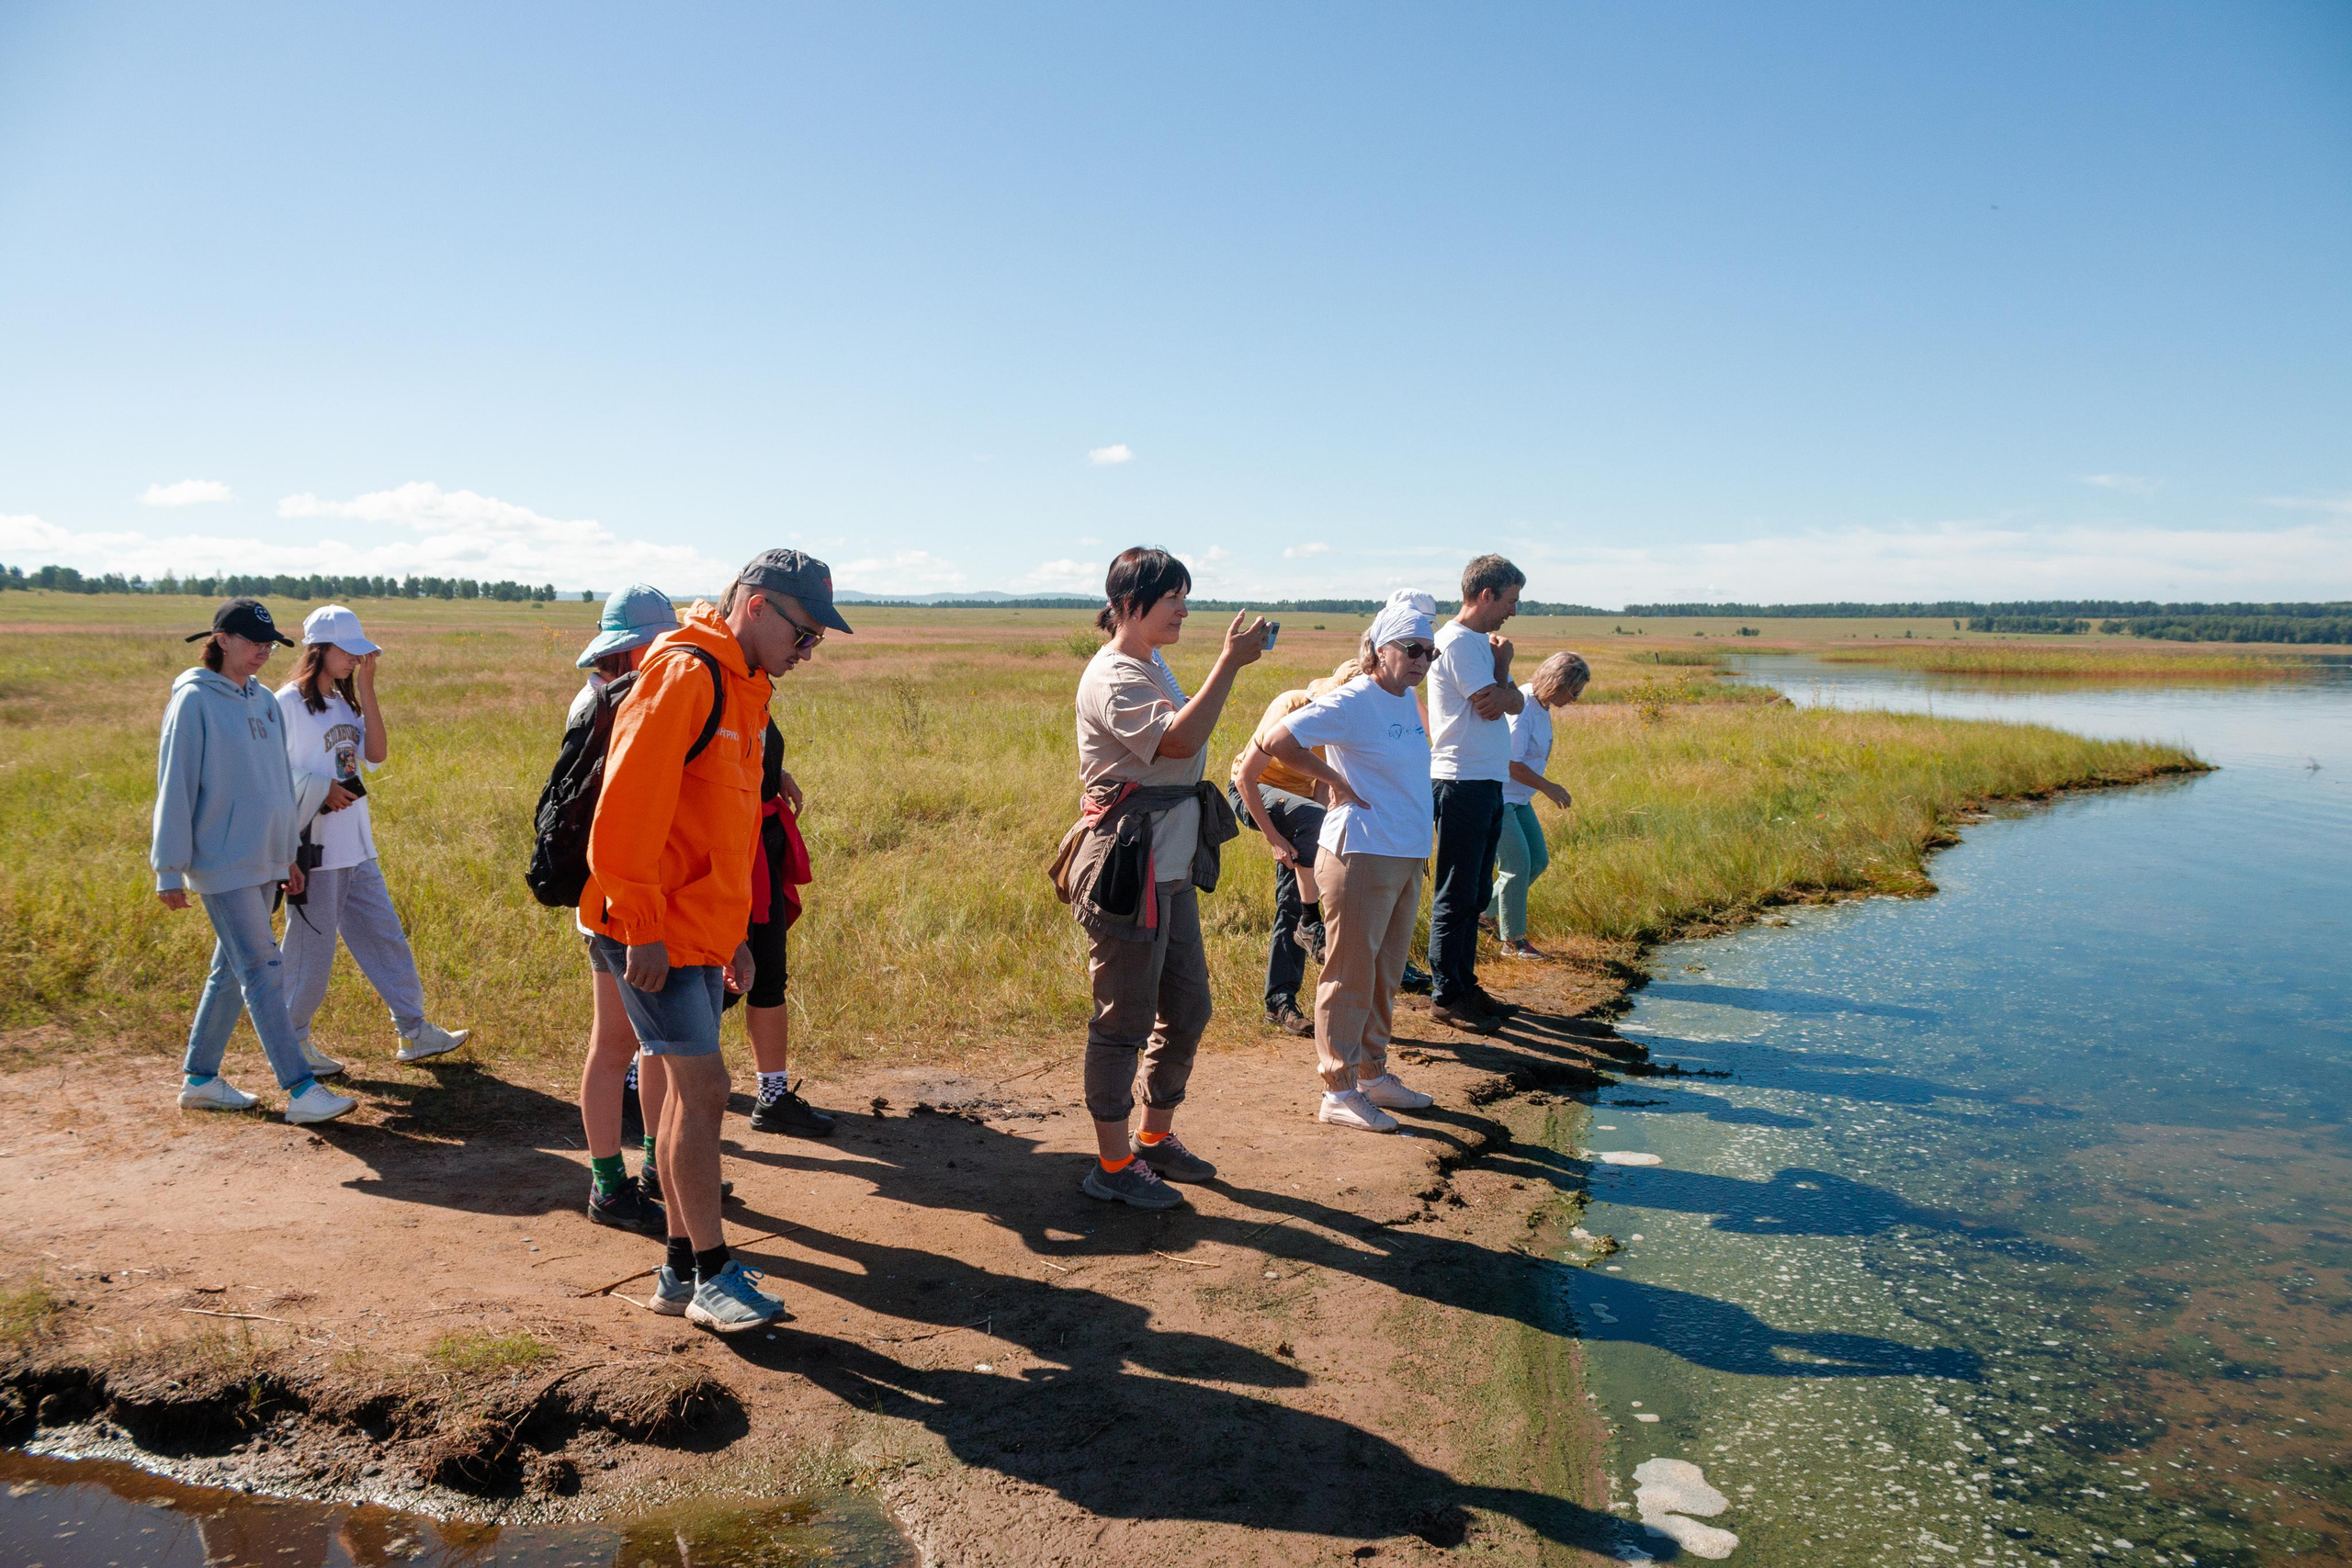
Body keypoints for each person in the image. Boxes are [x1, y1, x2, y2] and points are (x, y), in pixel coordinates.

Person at [582, 550, 846, 1331]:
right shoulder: (687, 676)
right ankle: (714, 1275)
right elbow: (624, 816)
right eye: (804, 632)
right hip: (651, 932)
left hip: (697, 933)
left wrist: (732, 937)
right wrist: (642, 928)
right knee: (703, 1094)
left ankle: (677, 1268)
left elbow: (719, 834)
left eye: (817, 640)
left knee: (680, 1098)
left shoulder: (743, 687)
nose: (809, 650)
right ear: (758, 606)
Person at [1063, 547, 1264, 1209]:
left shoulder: (1151, 661)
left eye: (1186, 596)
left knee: (1188, 1008)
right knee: (1123, 1018)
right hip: (1129, 868)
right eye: (1171, 597)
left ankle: (1153, 1137)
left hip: (1169, 866)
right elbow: (1177, 742)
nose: (1183, 608)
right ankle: (1112, 1165)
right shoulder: (1114, 675)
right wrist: (1230, 664)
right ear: (1126, 604)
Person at [1238, 591, 1440, 1134]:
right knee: (1349, 974)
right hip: (1360, 851)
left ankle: (1373, 1074)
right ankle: (1338, 1089)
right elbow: (1277, 739)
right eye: (1412, 649)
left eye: (1430, 651)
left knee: (1385, 972)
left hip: (1404, 852)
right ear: (1378, 648)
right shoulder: (1354, 697)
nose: (1422, 660)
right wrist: (1334, 782)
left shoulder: (1403, 700)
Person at [153, 597, 355, 1126]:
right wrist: (168, 868)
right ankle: (300, 1088)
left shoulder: (264, 700)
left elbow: (276, 785)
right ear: (220, 639)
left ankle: (200, 1080)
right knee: (265, 968)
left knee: (229, 970)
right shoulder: (193, 702)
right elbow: (174, 788)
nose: (263, 652)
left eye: (270, 644)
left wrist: (286, 853)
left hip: (266, 859)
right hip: (220, 862)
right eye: (253, 642)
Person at [275, 605, 469, 1077]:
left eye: (360, 653)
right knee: (309, 955)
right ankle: (291, 1043)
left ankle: (413, 1030)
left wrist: (367, 687)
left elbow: (375, 755)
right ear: (318, 649)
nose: (355, 660)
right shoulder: (285, 704)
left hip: (357, 847)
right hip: (315, 852)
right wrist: (320, 791)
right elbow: (268, 773)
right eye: (348, 652)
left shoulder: (344, 703)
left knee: (385, 939)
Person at [569, 584, 680, 1234]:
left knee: (630, 1045)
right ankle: (619, 1181)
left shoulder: (592, 697)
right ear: (635, 646)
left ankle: (645, 1171)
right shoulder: (628, 701)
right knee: (632, 1046)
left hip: (608, 899)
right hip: (624, 903)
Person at [1424, 554, 1527, 1034]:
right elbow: (1492, 707)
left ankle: (1465, 985)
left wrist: (1510, 690)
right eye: (1510, 600)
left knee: (1476, 891)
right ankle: (1446, 995)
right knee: (1458, 891)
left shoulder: (1473, 644)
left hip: (1482, 780)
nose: (1513, 611)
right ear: (1486, 595)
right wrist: (1505, 669)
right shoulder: (1461, 643)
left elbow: (1513, 701)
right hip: (1460, 780)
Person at [1227, 661, 1359, 1036]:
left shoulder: (1338, 726)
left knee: (1290, 899)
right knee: (1309, 828)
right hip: (1251, 793)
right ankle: (1310, 919)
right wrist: (1274, 838)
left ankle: (1279, 1002)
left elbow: (1317, 787)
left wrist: (1310, 836)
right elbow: (1244, 778)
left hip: (1300, 813)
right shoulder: (1291, 706)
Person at [735, 716, 832, 1137]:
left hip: (762, 845)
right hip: (723, 856)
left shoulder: (752, 683)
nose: (804, 652)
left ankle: (772, 1098)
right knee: (700, 985)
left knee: (769, 977)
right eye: (801, 642)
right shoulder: (701, 679)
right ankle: (632, 1084)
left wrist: (776, 774)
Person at [1489, 651, 1589, 959]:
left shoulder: (1541, 705)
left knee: (1538, 861)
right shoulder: (1523, 708)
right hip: (1500, 798)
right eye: (1574, 692)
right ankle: (1514, 942)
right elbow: (1509, 763)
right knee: (1516, 866)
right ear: (1556, 684)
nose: (1575, 699)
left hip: (1519, 800)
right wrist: (1548, 787)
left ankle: (1484, 913)